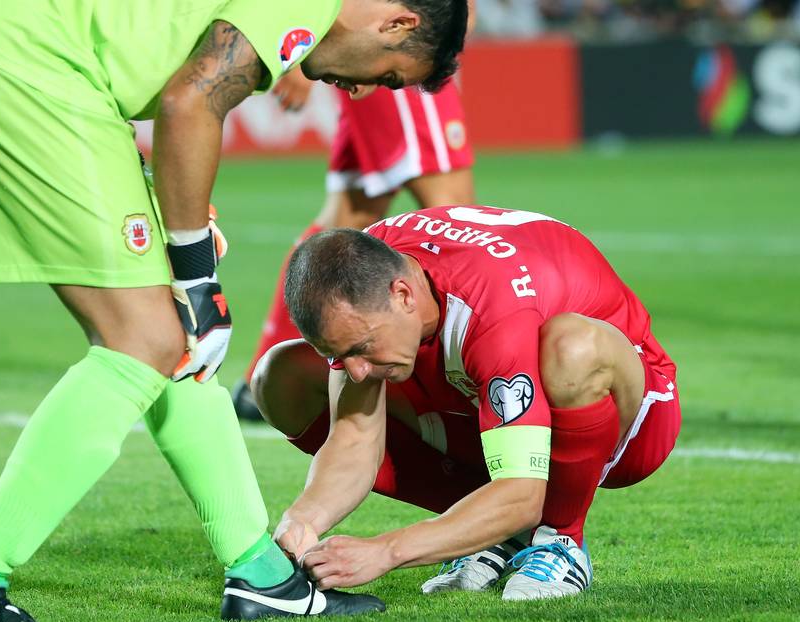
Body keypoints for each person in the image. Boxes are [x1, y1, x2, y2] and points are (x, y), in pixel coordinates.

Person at [0, 0, 469, 622]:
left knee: (174, 341)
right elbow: (189, 103)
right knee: (145, 338)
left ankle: (260, 573)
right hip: (29, 63)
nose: (364, 90)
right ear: (398, 23)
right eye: (390, 76)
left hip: (16, 54)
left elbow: (180, 91)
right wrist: (198, 277)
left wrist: (184, 232)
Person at [252, 206, 680, 601]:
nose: (357, 371)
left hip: (631, 416)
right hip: (485, 391)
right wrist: (301, 520)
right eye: (339, 354)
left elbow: (523, 493)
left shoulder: (491, 308)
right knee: (281, 375)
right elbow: (353, 440)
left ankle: (560, 538)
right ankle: (492, 531)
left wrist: (387, 551)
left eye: (362, 347)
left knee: (573, 348)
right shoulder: (367, 272)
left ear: (404, 296)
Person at [231, 49, 476, 420]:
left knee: (345, 218)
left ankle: (264, 379)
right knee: (453, 218)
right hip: (401, 54)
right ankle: (460, 378)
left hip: (395, 48)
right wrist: (299, 56)